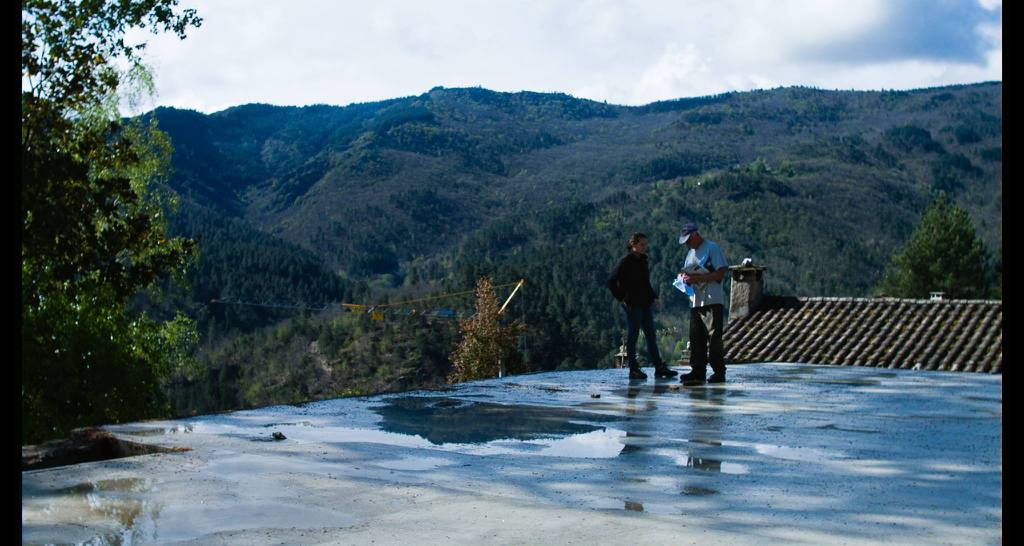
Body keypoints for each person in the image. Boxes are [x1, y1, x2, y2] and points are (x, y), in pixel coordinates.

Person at [606, 233, 678, 380]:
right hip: (633, 304)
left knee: (651, 336)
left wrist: (654, 298)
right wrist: (622, 297)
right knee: (633, 336)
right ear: (633, 244)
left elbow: (645, 283)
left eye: (645, 245)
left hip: (645, 303)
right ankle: (633, 369)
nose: (644, 247)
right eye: (642, 244)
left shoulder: (643, 261)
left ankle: (659, 367)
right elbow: (611, 281)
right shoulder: (625, 261)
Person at [677, 222, 729, 385]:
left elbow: (721, 272)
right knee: (696, 337)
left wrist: (698, 278)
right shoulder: (690, 254)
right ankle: (697, 371)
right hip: (696, 302)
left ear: (695, 235)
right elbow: (688, 273)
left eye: (688, 241)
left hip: (713, 300)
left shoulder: (712, 248)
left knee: (714, 338)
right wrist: (684, 278)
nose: (687, 245)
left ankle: (719, 372)